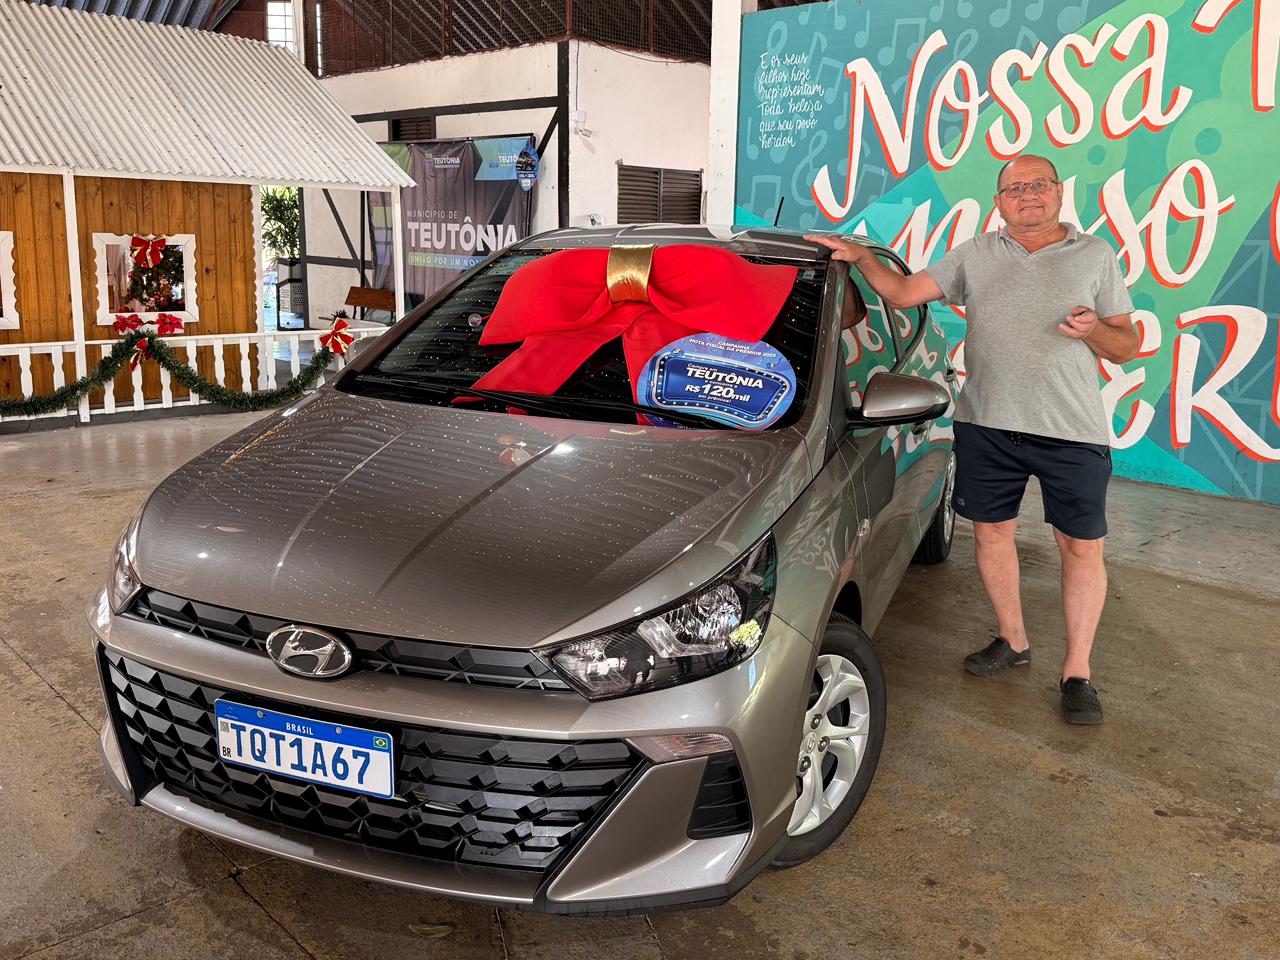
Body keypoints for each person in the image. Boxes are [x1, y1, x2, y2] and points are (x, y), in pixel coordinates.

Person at [807, 154, 1138, 725]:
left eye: (1039, 184)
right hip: (987, 424)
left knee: (1081, 548)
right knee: (991, 536)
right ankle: (1013, 640)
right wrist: (862, 258)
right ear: (999, 201)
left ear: (1059, 192)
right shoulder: (977, 253)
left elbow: (1127, 345)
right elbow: (903, 293)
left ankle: (1077, 673)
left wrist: (1094, 332)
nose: (1028, 195)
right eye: (1015, 187)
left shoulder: (1095, 255)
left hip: (1072, 430)